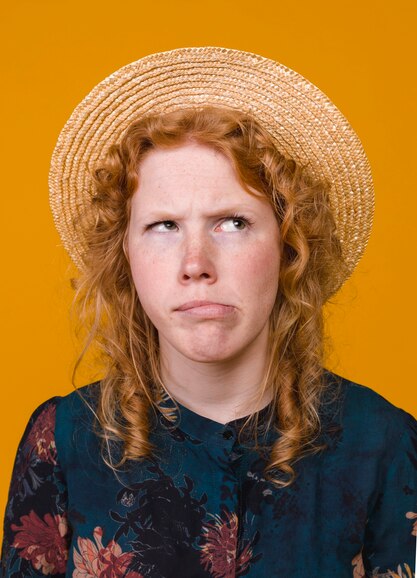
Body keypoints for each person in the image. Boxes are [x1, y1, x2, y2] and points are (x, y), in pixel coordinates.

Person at [1, 47, 416, 578]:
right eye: (164, 226)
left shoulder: (383, 442)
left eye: (233, 222)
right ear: (125, 253)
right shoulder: (61, 442)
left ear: (290, 245)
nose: (195, 264)